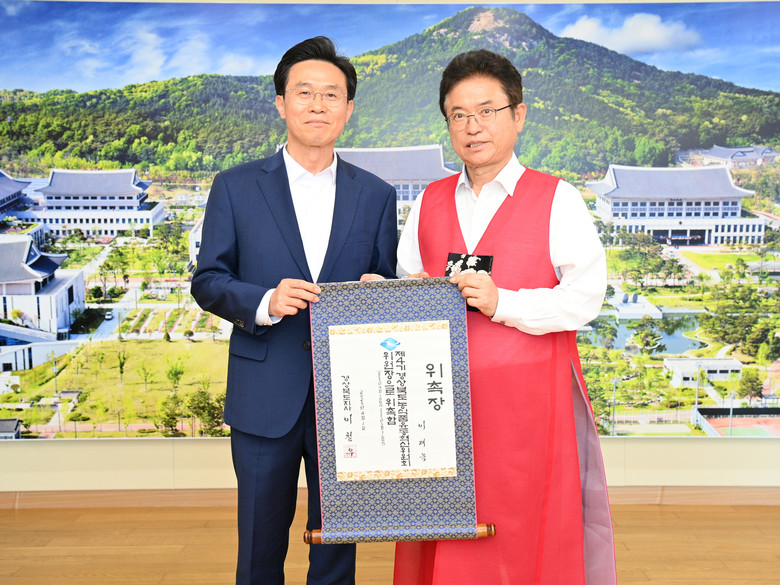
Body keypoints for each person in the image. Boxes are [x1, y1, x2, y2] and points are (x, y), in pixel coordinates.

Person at [393, 49, 616, 585]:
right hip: (440, 405)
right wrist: (395, 296)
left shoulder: (557, 198)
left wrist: (504, 303)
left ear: (518, 115)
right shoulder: (429, 201)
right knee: (444, 530)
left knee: (524, 533)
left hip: (528, 407)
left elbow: (585, 298)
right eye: (459, 114)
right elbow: (410, 286)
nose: (473, 126)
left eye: (487, 111)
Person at [190, 36, 397, 585]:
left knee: (338, 545)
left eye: (331, 94)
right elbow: (208, 281)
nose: (317, 105)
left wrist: (380, 293)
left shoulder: (376, 195)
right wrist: (265, 301)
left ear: (348, 109)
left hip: (351, 401)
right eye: (304, 92)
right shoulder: (234, 187)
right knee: (260, 547)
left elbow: (384, 282)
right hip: (265, 394)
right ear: (281, 103)